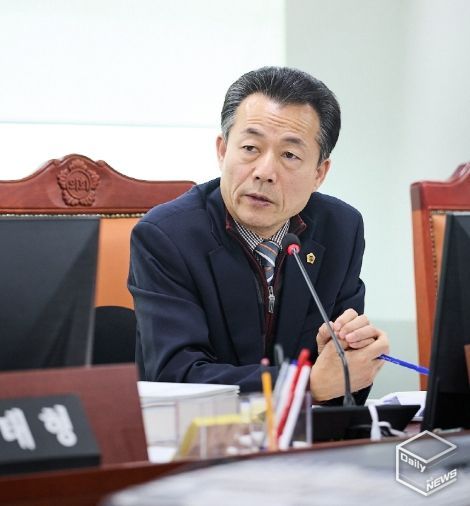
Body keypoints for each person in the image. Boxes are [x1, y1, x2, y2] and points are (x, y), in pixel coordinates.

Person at [128, 66, 389, 404]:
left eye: (289, 155)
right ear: (223, 151)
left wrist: (353, 357)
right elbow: (177, 378)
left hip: (305, 435)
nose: (264, 172)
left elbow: (340, 389)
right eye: (250, 148)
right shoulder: (166, 236)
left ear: (319, 173)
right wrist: (302, 385)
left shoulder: (341, 229)